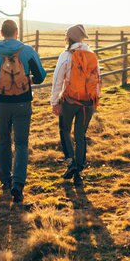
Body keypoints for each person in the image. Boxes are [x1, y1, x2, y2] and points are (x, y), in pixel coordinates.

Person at [0, 19, 46, 203]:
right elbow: (40, 76)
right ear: (16, 32)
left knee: (3, 141)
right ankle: (18, 184)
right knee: (21, 144)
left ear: (1, 33)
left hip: (1, 104)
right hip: (23, 103)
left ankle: (5, 181)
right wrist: (29, 80)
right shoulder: (27, 51)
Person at [50, 24, 100, 184]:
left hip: (70, 101)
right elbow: (97, 78)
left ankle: (70, 162)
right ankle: (78, 172)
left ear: (68, 38)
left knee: (64, 130)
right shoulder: (92, 55)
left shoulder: (66, 55)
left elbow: (58, 79)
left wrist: (54, 101)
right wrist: (95, 100)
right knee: (80, 136)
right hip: (88, 104)